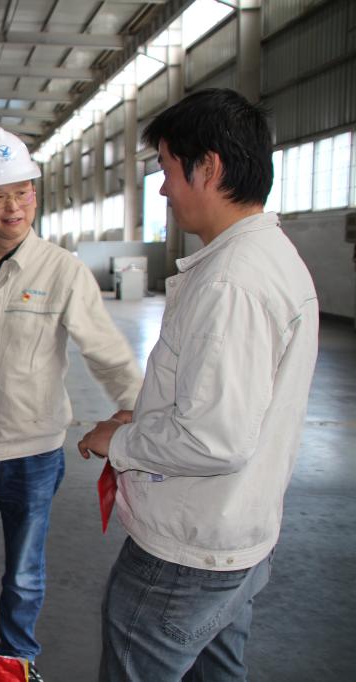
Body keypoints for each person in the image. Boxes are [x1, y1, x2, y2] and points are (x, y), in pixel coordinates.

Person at [78, 88, 320, 682]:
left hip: (188, 554)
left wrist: (120, 441)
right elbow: (225, 403)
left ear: (207, 168)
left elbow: (214, 439)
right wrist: (143, 418)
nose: (163, 189)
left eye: (166, 169)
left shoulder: (232, 282)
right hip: (235, 537)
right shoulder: (266, 257)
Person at [0, 127, 142, 682]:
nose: (13, 206)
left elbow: (106, 350)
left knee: (24, 573)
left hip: (33, 454)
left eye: (22, 192)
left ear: (35, 195)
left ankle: (17, 661)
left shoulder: (61, 271)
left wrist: (137, 407)